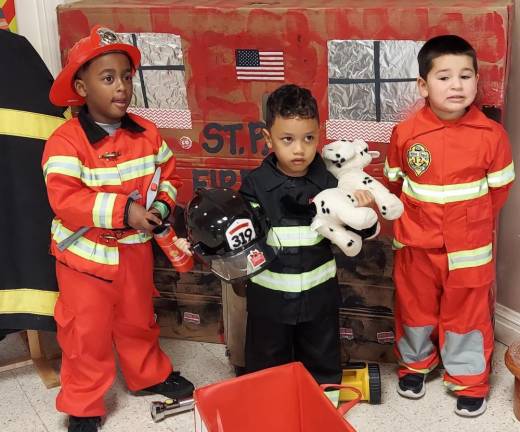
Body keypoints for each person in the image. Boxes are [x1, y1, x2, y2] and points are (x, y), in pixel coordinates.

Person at [42, 25, 194, 432]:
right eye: (108, 79)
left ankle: (149, 376)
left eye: (126, 77)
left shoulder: (147, 133)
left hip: (134, 253)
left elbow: (169, 176)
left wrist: (160, 205)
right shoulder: (65, 142)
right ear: (81, 87)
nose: (122, 87)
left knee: (138, 319)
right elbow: (65, 199)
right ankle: (85, 404)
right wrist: (125, 211)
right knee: (84, 333)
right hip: (84, 260)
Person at [384, 35, 515, 417]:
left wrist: (468, 226)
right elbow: (394, 183)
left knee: (467, 315)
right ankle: (415, 365)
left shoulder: (491, 136)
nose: (456, 85)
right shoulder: (407, 134)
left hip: (468, 250)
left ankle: (469, 379)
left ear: (477, 81)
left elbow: (499, 192)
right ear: (423, 86)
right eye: (444, 77)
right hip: (415, 246)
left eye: (465, 75)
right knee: (415, 309)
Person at [239, 84, 375, 393]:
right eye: (288, 139)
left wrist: (365, 216)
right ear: (268, 138)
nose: (299, 149)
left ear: (319, 134)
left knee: (322, 359)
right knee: (265, 360)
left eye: (309, 138)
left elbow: (355, 231)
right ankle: (270, 408)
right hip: (269, 300)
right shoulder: (255, 185)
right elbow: (242, 240)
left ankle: (321, 408)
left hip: (319, 296)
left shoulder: (330, 181)